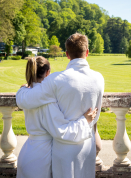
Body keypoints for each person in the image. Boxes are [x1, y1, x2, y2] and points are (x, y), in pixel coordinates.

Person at [16, 33, 105, 178]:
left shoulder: (55, 80)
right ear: (87, 52)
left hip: (64, 150)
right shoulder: (99, 78)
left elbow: (25, 99)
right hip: (88, 146)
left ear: (67, 54)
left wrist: (23, 89)